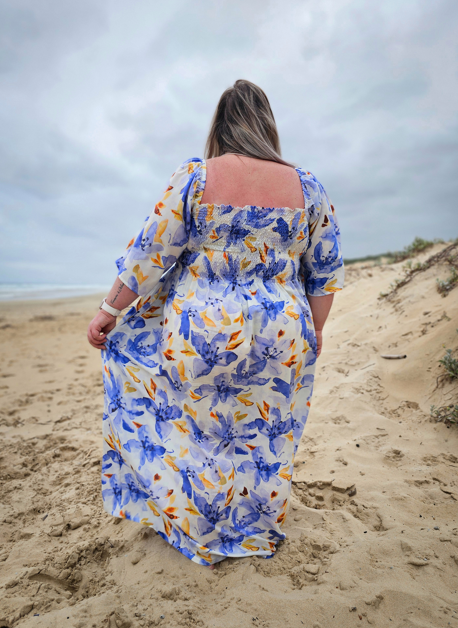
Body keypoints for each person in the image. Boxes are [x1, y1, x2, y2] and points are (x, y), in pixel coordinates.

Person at [87, 79, 345, 567]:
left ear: (220, 126)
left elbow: (149, 254)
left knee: (198, 433)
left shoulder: (196, 177)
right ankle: (255, 528)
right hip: (282, 327)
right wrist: (315, 330)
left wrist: (110, 310)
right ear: (267, 125)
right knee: (264, 436)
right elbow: (325, 273)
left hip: (202, 327)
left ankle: (202, 529)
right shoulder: (308, 186)